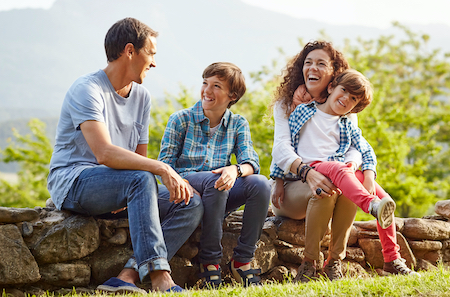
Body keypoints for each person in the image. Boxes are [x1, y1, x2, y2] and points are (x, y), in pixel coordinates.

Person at [47, 17, 203, 293]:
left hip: (122, 185)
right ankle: (160, 279)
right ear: (130, 51)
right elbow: (104, 153)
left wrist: (132, 185)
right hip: (74, 182)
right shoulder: (87, 89)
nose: (154, 63)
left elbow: (137, 157)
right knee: (141, 179)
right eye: (151, 53)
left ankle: (128, 275)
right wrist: (162, 170)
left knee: (189, 202)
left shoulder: (142, 97)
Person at [270, 41, 418, 283]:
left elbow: (359, 148)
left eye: (321, 64)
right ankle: (310, 263)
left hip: (339, 172)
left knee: (377, 196)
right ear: (332, 87)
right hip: (301, 178)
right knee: (333, 180)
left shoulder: (348, 117)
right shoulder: (298, 108)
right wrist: (278, 177)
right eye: (308, 63)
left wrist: (365, 171)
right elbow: (283, 147)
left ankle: (387, 259)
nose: (313, 68)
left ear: (332, 74)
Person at [158, 62, 271, 288]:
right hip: (187, 184)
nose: (207, 91)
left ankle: (242, 261)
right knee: (216, 181)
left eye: (216, 86)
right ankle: (209, 262)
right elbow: (165, 166)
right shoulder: (180, 119)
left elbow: (252, 162)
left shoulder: (238, 124)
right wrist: (183, 183)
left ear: (232, 95)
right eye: (205, 83)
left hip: (219, 191)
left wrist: (235, 169)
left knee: (261, 184)